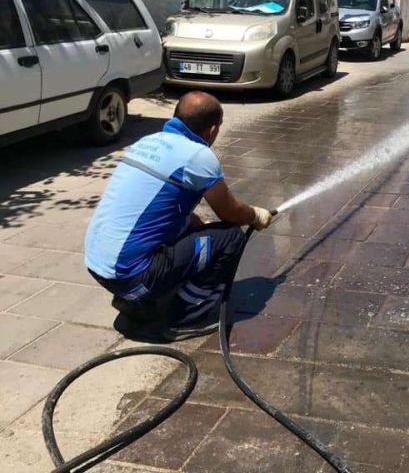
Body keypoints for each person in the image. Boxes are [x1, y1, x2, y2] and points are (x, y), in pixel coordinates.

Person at [84, 91, 274, 341]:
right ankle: (185, 317)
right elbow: (229, 212)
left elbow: (150, 202)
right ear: (213, 129)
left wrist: (187, 221)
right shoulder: (198, 156)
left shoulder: (147, 142)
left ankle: (140, 302)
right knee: (230, 237)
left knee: (193, 228)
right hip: (131, 274)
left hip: (98, 265)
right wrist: (254, 215)